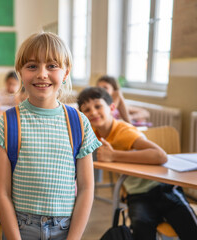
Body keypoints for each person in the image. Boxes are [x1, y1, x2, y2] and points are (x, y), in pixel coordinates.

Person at [0, 32, 101, 240]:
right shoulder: (8, 122)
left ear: (66, 72)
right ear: (20, 72)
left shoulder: (79, 122)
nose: (42, 74)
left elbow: (86, 189)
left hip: (66, 228)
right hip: (20, 228)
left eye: (52, 66)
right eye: (32, 66)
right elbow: (1, 193)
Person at [77, 87, 197, 240]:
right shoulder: (93, 131)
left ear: (112, 108)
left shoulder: (123, 131)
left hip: (162, 188)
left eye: (98, 106)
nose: (93, 112)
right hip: (137, 195)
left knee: (190, 231)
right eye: (86, 110)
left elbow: (160, 156)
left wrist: (114, 155)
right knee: (141, 231)